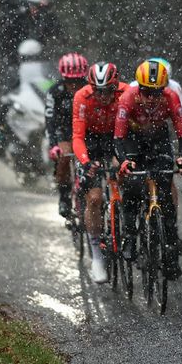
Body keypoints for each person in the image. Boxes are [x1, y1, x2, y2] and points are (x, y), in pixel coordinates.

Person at [115, 59, 182, 280]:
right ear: (138, 88)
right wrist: (123, 161)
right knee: (132, 185)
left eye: (156, 93)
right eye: (146, 93)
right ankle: (130, 236)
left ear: (164, 90)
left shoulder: (171, 97)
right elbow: (118, 138)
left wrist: (181, 158)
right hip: (133, 141)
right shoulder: (127, 98)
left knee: (165, 190)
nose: (151, 98)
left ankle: (170, 247)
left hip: (159, 141)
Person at [72, 62, 125, 284]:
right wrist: (85, 162)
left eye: (107, 91)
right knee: (94, 198)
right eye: (98, 91)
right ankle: (96, 255)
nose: (103, 96)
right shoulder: (82, 97)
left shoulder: (125, 94)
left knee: (130, 184)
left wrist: (122, 156)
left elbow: (130, 130)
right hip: (91, 142)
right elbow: (77, 137)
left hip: (116, 139)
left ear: (115, 87)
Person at [45, 53, 89, 217]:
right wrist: (53, 144)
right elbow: (49, 119)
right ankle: (64, 196)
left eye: (78, 81)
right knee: (64, 155)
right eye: (70, 81)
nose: (74, 85)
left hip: (85, 130)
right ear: (64, 78)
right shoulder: (55, 91)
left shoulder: (89, 89)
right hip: (64, 131)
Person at [0, 0, 59, 65]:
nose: (34, 9)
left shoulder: (43, 19)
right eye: (31, 6)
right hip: (20, 58)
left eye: (35, 6)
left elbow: (52, 35)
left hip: (38, 58)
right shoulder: (16, 18)